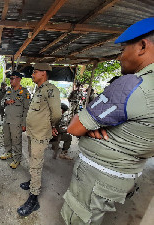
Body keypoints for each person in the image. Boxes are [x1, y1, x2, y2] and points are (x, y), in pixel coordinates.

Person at [61, 17, 154, 225]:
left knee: (78, 218)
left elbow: (74, 127)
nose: (119, 57)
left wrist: (92, 126)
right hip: (126, 175)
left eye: (123, 49)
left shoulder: (131, 84)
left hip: (98, 178)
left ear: (141, 46)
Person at [17, 63, 61, 216]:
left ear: (44, 73)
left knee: (36, 164)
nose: (33, 74)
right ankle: (32, 182)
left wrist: (51, 126)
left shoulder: (50, 90)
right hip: (33, 132)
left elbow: (56, 114)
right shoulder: (39, 90)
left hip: (40, 134)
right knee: (32, 159)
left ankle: (34, 198)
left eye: (35, 72)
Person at [0, 71, 30, 169]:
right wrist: (5, 102)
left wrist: (24, 123)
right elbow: (0, 102)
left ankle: (17, 159)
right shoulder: (8, 90)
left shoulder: (25, 92)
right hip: (7, 119)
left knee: (16, 141)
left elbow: (27, 109)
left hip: (17, 121)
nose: (10, 80)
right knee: (6, 138)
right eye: (10, 78)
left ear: (19, 79)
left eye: (12, 78)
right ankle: (8, 152)